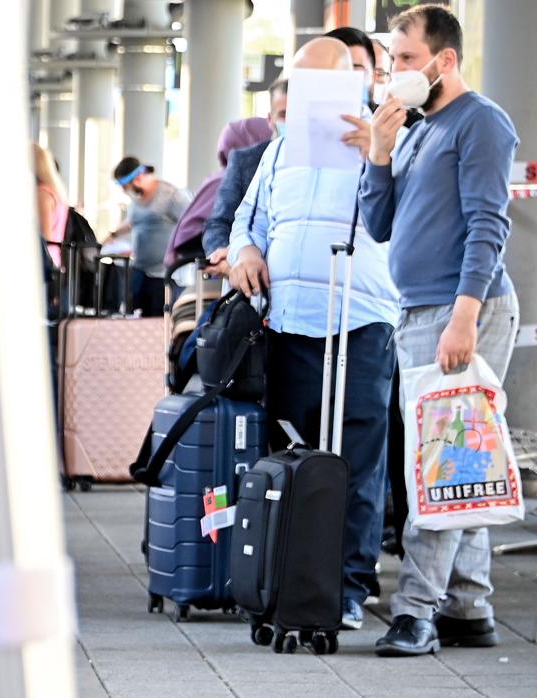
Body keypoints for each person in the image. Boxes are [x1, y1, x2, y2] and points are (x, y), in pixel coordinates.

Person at [355, 4, 520, 657]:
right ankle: (469, 607)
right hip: (420, 311)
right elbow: (379, 224)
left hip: (458, 312)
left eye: (403, 57)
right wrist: (378, 153)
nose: (393, 70)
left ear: (443, 60)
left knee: (438, 468)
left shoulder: (480, 122)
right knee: (460, 460)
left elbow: (489, 225)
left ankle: (417, 611)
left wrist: (463, 316)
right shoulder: (420, 128)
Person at [229, 37, 400, 632]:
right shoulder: (278, 151)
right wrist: (246, 249)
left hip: (361, 321)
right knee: (288, 456)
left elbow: (409, 216)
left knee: (357, 462)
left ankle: (349, 586)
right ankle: (286, 579)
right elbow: (245, 221)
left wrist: (380, 154)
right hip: (289, 321)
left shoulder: (394, 141)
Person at [201, 80, 287, 276]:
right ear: (270, 119)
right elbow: (218, 223)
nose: (290, 121)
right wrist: (226, 256)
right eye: (283, 114)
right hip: (249, 279)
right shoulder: (246, 160)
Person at [163, 117, 271, 268]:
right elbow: (217, 223)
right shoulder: (227, 178)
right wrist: (228, 256)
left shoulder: (218, 177)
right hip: (218, 264)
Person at [109, 157, 189, 316]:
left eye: (126, 186)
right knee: (138, 319)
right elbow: (133, 222)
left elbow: (191, 223)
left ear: (138, 178)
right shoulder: (137, 199)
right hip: (141, 270)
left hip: (164, 275)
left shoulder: (170, 195)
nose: (125, 191)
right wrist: (112, 236)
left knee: (159, 321)